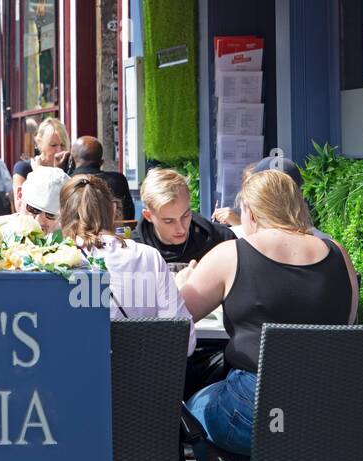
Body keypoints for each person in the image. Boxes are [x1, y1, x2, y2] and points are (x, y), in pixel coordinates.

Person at [179, 170, 358, 461]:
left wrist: (179, 284)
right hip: (329, 408)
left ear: (249, 211)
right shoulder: (337, 251)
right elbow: (347, 323)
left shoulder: (232, 253)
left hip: (255, 409)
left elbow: (177, 318)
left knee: (196, 404)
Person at [59, 175, 195, 352]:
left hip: (78, 376)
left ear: (63, 216)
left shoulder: (56, 263)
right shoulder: (148, 257)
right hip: (142, 377)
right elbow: (184, 343)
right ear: (113, 208)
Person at [133, 168, 236, 265]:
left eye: (185, 215)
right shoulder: (132, 252)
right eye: (169, 221)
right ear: (148, 216)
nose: (181, 228)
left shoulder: (222, 240)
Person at [70, 136, 135, 222]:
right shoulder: (118, 180)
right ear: (101, 162)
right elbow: (128, 216)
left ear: (71, 159)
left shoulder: (67, 182)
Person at [13, 117, 72, 189]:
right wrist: (38, 174)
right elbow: (21, 200)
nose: (59, 151)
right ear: (39, 143)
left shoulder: (70, 168)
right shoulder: (24, 168)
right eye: (53, 145)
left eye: (63, 145)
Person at [18, 166, 69, 234]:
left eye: (51, 215)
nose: (39, 221)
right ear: (20, 195)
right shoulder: (0, 232)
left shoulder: (74, 241)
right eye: (33, 209)